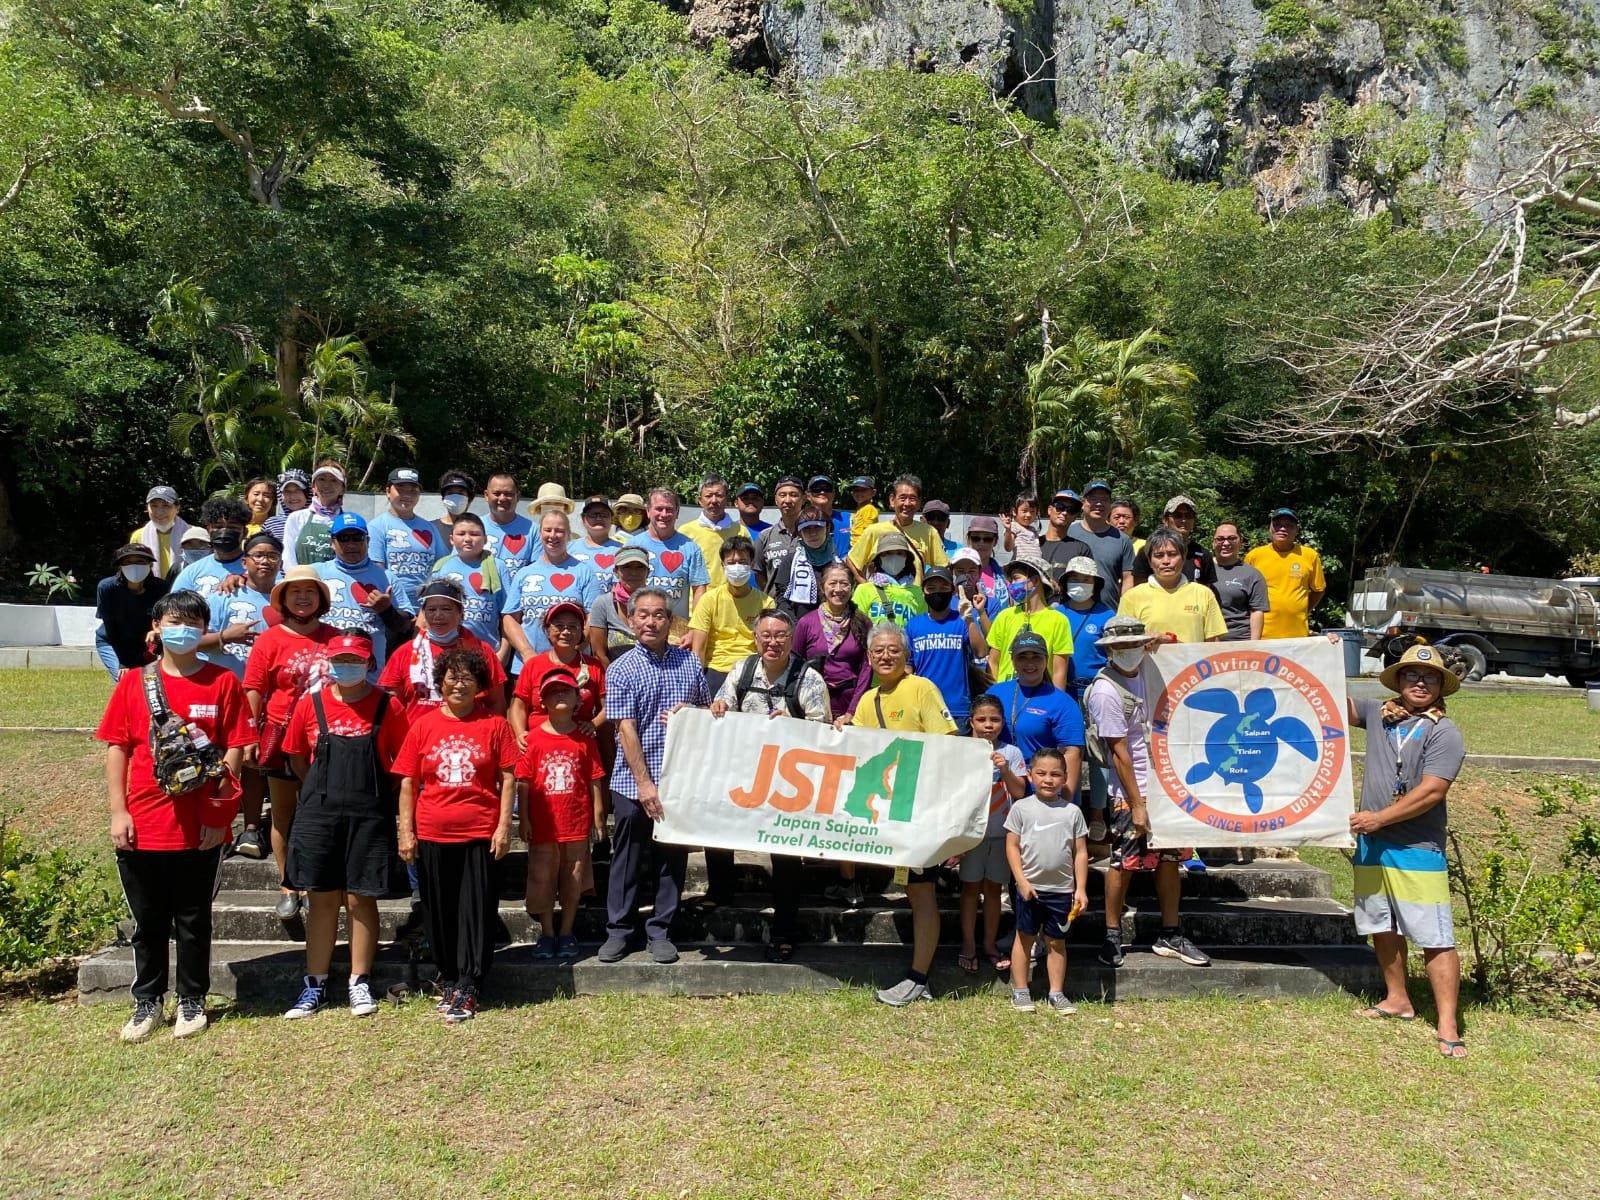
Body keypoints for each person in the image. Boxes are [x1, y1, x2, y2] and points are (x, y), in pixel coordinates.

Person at [98, 589, 253, 1042]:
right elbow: (117, 749)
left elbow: (236, 748)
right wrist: (119, 812)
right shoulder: (134, 682)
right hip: (143, 821)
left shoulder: (222, 682)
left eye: (192, 623)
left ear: (205, 630)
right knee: (147, 922)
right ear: (156, 628)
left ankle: (191, 999)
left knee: (193, 918)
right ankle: (147, 1001)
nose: (182, 630)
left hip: (200, 825)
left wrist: (219, 815)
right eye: (173, 622)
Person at [1345, 642, 1468, 1057]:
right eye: (1412, 674)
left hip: (1416, 846)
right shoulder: (1378, 714)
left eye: (1430, 677)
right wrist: (1325, 654)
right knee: (1381, 924)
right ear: (1398, 680)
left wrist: (1380, 818)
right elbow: (1327, 704)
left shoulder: (1444, 732)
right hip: (1372, 843)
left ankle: (1448, 1024)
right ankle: (1398, 999)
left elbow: (1432, 791)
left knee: (1435, 935)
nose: (1420, 682)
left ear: (1441, 687)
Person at [281, 633, 410, 1019]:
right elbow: (298, 760)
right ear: (329, 662)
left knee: (360, 897)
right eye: (340, 659)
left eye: (355, 660)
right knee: (321, 898)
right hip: (318, 814)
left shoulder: (388, 705)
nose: (347, 666)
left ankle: (359, 981)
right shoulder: (311, 703)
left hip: (369, 814)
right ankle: (315, 984)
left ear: (370, 664)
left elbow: (401, 764)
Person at [835, 622, 957, 1006]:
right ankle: (919, 974)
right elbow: (859, 751)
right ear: (869, 658)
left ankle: (919, 978)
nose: (886, 656)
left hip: (919, 808)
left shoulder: (921, 688)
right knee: (912, 888)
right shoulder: (867, 701)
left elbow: (947, 744)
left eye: (893, 650)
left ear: (906, 655)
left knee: (921, 891)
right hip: (889, 813)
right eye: (878, 651)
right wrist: (842, 728)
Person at [396, 646, 518, 1023]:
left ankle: (469, 983)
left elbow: (509, 778)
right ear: (440, 682)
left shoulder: (495, 725)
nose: (459, 684)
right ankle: (448, 977)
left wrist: (504, 827)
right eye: (452, 677)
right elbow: (407, 782)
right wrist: (406, 832)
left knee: (476, 911)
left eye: (467, 678)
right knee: (438, 911)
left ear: (480, 685)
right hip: (432, 831)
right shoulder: (423, 725)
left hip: (479, 832)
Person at [1088, 616, 1210, 970]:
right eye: (1122, 646)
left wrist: (1158, 639)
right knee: (1123, 862)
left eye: (1135, 644)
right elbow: (1119, 753)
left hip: (1167, 785)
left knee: (1170, 859)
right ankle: (1112, 934)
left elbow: (1181, 649)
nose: (1129, 651)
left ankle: (1170, 932)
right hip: (1133, 789)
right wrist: (1137, 804)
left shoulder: (1150, 667)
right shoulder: (1106, 691)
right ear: (1109, 650)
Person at [709, 609, 830, 960]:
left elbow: (825, 732)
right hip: (746, 773)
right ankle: (721, 894)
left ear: (791, 639)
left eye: (780, 636)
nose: (772, 642)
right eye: (766, 635)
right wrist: (718, 706)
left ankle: (784, 931)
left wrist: (794, 723)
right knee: (713, 829)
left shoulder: (808, 679)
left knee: (786, 857)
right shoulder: (742, 670)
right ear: (755, 638)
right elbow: (725, 704)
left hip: (791, 784)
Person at [599, 587, 711, 965]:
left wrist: (689, 713)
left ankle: (661, 930)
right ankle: (619, 930)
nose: (651, 621)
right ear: (631, 621)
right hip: (632, 782)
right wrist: (644, 784)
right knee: (627, 857)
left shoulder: (689, 663)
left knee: (671, 858)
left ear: (670, 621)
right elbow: (625, 729)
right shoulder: (621, 668)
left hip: (679, 780)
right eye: (643, 615)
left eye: (659, 614)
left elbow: (705, 713)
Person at [244, 567, 341, 921]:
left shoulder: (335, 637)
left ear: (321, 598)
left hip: (328, 738)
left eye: (309, 591)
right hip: (283, 736)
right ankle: (288, 884)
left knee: (325, 813)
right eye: (295, 591)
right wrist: (250, 735)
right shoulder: (269, 640)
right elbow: (254, 688)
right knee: (283, 813)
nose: (302, 597)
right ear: (283, 598)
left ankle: (320, 881)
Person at [516, 667, 606, 961]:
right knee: (542, 879)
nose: (559, 697)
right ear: (542, 702)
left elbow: (594, 778)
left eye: (566, 691)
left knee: (574, 878)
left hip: (576, 823)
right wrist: (524, 819)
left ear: (578, 700)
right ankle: (547, 932)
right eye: (552, 692)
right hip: (544, 826)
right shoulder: (533, 739)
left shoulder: (585, 738)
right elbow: (523, 782)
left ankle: (566, 932)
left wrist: (598, 814)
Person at [1005, 745, 1089, 1015]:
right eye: (1041, 773)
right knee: (1024, 938)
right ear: (1030, 775)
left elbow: (1080, 852)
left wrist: (1081, 889)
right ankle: (1020, 990)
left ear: (1065, 777)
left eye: (1055, 774)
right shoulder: (1021, 808)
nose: (1048, 780)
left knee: (1056, 942)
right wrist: (1021, 881)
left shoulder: (1072, 812)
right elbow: (1012, 847)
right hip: (1030, 889)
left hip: (1062, 891)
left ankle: (1056, 992)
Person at [957, 694, 1026, 976]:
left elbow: (1019, 792)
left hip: (1001, 835)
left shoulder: (1012, 753)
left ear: (1003, 723)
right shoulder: (961, 750)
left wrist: (1004, 769)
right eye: (982, 719)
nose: (988, 725)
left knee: (994, 890)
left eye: (995, 720)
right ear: (971, 721)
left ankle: (989, 944)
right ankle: (968, 944)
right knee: (970, 889)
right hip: (971, 835)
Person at [379, 578, 507, 720]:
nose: (438, 615)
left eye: (446, 609)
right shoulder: (404, 653)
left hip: (467, 731)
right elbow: (393, 707)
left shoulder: (482, 651)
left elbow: (496, 703)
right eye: (431, 609)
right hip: (417, 732)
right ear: (423, 613)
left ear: (460, 612)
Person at [1055, 555, 1117, 841]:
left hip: (1095, 691)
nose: (1079, 584)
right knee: (1069, 754)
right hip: (1063, 690)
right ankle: (1072, 811)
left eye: (1085, 579)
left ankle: (1097, 815)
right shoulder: (1056, 613)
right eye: (1074, 579)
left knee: (1098, 754)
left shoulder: (1107, 614)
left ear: (1096, 583)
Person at [505, 508, 601, 675]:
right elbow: (510, 618)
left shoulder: (584, 572)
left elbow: (593, 618)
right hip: (528, 667)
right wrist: (527, 652)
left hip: (571, 667)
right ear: (540, 533)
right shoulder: (524, 573)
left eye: (559, 531)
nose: (553, 535)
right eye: (548, 530)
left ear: (568, 535)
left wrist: (572, 651)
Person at [316, 513, 411, 670]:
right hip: (324, 668)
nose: (351, 544)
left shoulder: (387, 577)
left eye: (357, 538)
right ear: (332, 543)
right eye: (344, 538)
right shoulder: (316, 574)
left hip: (369, 671)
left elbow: (405, 627)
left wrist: (387, 611)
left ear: (367, 541)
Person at [509, 600, 606, 745]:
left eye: (573, 626)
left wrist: (594, 723)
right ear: (548, 630)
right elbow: (519, 706)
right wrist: (520, 733)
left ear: (581, 631)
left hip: (580, 744)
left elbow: (607, 705)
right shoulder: (533, 665)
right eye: (559, 626)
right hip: (538, 744)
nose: (566, 632)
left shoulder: (594, 666)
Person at [907, 566, 988, 734]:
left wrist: (969, 619)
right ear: (923, 592)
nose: (937, 592)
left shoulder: (962, 620)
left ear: (952, 590)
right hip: (924, 706)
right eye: (931, 588)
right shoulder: (913, 625)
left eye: (943, 587)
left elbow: (981, 652)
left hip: (957, 709)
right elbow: (908, 667)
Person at [688, 536, 774, 692]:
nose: (737, 567)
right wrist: (696, 685)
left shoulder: (766, 603)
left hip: (751, 670)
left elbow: (766, 645)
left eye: (742, 562)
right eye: (731, 563)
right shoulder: (709, 599)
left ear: (752, 564)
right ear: (723, 565)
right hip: (716, 669)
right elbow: (698, 648)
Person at [984, 630, 1083, 765]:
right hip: (998, 773)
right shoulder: (995, 693)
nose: (1029, 663)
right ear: (1012, 660)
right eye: (1022, 657)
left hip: (1038, 777)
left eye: (1036, 657)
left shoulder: (1063, 703)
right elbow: (978, 736)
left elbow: (1071, 752)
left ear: (1046, 660)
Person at [792, 561, 873, 723]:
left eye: (844, 584)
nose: (838, 589)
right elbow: (795, 664)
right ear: (823, 588)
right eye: (832, 583)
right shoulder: (806, 623)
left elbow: (867, 669)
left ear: (852, 587)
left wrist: (852, 710)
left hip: (849, 703)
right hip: (812, 701)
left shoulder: (863, 623)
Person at [1118, 528, 1226, 645]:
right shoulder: (1131, 597)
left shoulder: (1204, 594)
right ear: (1149, 561)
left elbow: (1213, 645)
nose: (1166, 561)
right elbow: (1123, 645)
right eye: (1159, 555)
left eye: (1172, 554)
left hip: (1195, 658)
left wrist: (1171, 640)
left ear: (1183, 558)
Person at [626, 488, 709, 634]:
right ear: (648, 511)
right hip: (640, 629)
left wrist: (694, 629)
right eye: (659, 509)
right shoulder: (633, 545)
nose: (664, 514)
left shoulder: (691, 548)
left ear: (677, 513)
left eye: (669, 509)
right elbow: (622, 588)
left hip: (677, 632)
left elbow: (699, 590)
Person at [986, 555, 1072, 688]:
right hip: (1006, 694)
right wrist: (994, 694)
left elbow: (1058, 671)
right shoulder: (1004, 616)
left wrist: (1056, 700)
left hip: (1042, 696)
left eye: (1016, 578)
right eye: (1011, 580)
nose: (1012, 584)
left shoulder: (1059, 620)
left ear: (1036, 580)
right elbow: (993, 662)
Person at [429, 512, 508, 651]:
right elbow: (427, 610)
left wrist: (504, 652)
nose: (467, 539)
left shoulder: (498, 567)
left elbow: (508, 615)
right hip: (447, 649)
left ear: (485, 539)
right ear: (451, 539)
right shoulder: (441, 567)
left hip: (487, 650)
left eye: (474, 534)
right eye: (461, 534)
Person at [847, 474, 947, 583]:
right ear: (892, 500)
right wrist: (865, 585)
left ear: (919, 503)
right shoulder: (874, 531)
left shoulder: (929, 532)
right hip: (880, 594)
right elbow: (852, 561)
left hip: (914, 594)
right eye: (902, 498)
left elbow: (942, 568)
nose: (907, 503)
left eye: (912, 498)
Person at [1246, 507, 1327, 639]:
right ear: (1270, 527)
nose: (1282, 529)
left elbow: (1319, 590)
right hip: (1262, 635)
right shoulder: (1254, 556)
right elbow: (1243, 593)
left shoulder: (1309, 556)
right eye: (1277, 524)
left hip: (1297, 635)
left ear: (1297, 530)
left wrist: (1301, 610)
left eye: (1289, 525)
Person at [369, 467, 440, 615]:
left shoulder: (430, 528)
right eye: (400, 489)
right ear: (388, 491)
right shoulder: (376, 526)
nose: (407, 495)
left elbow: (440, 566)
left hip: (426, 610)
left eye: (413, 490)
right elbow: (377, 571)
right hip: (394, 608)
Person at [94, 544, 170, 679]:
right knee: (127, 678)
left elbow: (165, 619)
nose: (134, 566)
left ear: (150, 565)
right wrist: (123, 662)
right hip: (112, 642)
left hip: (146, 644)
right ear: (120, 566)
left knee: (151, 681)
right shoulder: (107, 588)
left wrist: (157, 633)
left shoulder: (161, 588)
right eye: (128, 562)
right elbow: (111, 628)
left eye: (140, 562)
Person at [1069, 481, 1137, 608]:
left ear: (1110, 505)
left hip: (1108, 611)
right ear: (1083, 504)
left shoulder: (1122, 539)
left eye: (1104, 499)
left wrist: (1124, 609)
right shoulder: (1069, 533)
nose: (1099, 503)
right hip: (1069, 611)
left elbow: (1128, 578)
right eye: (1093, 499)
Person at [766, 505, 842, 619]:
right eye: (806, 529)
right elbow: (782, 600)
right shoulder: (790, 561)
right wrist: (797, 626)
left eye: (817, 527)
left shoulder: (838, 564)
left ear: (827, 528)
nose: (813, 533)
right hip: (798, 625)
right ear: (800, 533)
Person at [1131, 495, 1218, 591]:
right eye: (1177, 515)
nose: (1183, 520)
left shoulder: (1203, 554)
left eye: (1188, 516)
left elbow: (1206, 590)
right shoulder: (1148, 551)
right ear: (1165, 520)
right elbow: (1139, 588)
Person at [171, 496, 251, 597]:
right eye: (218, 527)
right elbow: (174, 605)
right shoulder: (191, 572)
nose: (224, 532)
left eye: (232, 527)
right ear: (208, 530)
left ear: (245, 532)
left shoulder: (257, 569)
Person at [587, 544, 649, 666]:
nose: (633, 572)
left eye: (640, 567)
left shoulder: (658, 602)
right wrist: (614, 676)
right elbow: (599, 654)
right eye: (626, 567)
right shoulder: (603, 604)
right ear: (616, 571)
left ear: (648, 572)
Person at [851, 530, 927, 625]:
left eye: (900, 553)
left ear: (907, 559)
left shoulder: (919, 593)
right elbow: (857, 625)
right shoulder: (864, 590)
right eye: (887, 553)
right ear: (879, 558)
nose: (894, 558)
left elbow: (921, 628)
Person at [282, 461, 347, 568]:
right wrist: (296, 576)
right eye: (321, 479)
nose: (326, 485)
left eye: (333, 480)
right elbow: (288, 556)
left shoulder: (347, 521)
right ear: (313, 486)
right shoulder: (296, 518)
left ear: (342, 489)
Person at [1212, 522, 1270, 641]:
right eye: (1220, 539)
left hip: (1239, 641)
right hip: (1205, 642)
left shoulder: (1252, 574)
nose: (1226, 543)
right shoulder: (1202, 570)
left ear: (1240, 541)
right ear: (1213, 542)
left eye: (1232, 538)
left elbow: (1256, 612)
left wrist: (1253, 645)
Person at [683, 475, 740, 588]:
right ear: (700, 500)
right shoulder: (685, 532)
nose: (714, 500)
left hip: (732, 597)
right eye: (708, 496)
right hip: (698, 598)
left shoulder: (740, 531)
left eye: (719, 495)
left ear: (727, 499)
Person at [754, 475, 804, 591]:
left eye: (793, 495)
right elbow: (759, 574)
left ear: (803, 499)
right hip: (775, 602)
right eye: (782, 495)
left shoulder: (813, 534)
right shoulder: (764, 537)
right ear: (776, 500)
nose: (787, 500)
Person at [482, 473, 536, 577]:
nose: (502, 498)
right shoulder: (473, 528)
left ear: (518, 496)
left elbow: (537, 569)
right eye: (497, 493)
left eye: (508, 494)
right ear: (486, 495)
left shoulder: (533, 530)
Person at [130, 484, 189, 577]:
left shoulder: (192, 534)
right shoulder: (138, 536)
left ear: (177, 508)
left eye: (166, 505)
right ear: (147, 508)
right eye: (154, 506)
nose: (159, 511)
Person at [571, 495, 624, 590]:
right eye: (593, 515)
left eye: (604, 515)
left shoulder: (622, 550)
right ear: (583, 519)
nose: (598, 518)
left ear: (611, 518)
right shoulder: (569, 549)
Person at [1038, 490, 1092, 582]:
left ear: (1075, 517)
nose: (1065, 512)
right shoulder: (1033, 544)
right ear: (1049, 510)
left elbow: (1085, 584)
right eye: (1060, 507)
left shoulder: (1082, 549)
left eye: (1071, 510)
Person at [959, 519, 1010, 615]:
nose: (981, 543)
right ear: (969, 539)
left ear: (995, 541)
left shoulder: (1004, 577)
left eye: (987, 539)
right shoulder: (957, 572)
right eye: (976, 538)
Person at [805, 475, 853, 559]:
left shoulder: (851, 518)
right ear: (808, 496)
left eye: (827, 488)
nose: (822, 492)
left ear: (833, 494)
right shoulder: (802, 521)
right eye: (816, 489)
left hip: (847, 566)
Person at [261, 469, 309, 547]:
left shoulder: (319, 520)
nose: (293, 496)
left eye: (298, 490)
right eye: (287, 491)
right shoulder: (271, 524)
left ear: (307, 493)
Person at [436, 468, 477, 544]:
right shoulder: (431, 528)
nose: (455, 497)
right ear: (443, 499)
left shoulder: (479, 529)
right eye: (450, 493)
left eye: (460, 493)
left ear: (470, 499)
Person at [1001, 492, 1042, 561]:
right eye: (1024, 511)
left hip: (1036, 565)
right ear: (1014, 511)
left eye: (1032, 511)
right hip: (1021, 564)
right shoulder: (1014, 526)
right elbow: (1008, 548)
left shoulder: (1034, 530)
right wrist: (1008, 530)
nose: (1028, 515)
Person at [847, 476, 879, 540]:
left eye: (863, 490)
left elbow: (867, 534)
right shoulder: (861, 509)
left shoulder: (869, 509)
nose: (859, 493)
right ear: (852, 493)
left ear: (873, 492)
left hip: (861, 545)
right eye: (856, 490)